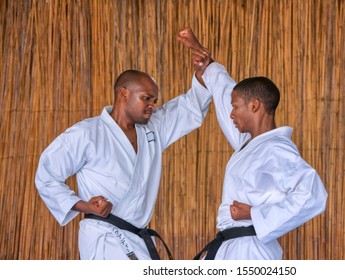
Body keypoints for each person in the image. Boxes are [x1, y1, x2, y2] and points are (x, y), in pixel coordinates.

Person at [177, 27, 328, 260]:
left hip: (251, 251)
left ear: (254, 106)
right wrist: (207, 65)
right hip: (234, 248)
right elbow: (225, 90)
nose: (231, 114)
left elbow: (313, 194)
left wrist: (255, 214)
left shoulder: (276, 149)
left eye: (235, 107)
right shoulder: (250, 144)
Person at [35, 67, 212, 259]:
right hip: (105, 236)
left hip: (138, 238)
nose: (152, 106)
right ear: (123, 94)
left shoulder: (153, 129)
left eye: (155, 101)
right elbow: (46, 176)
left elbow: (188, 109)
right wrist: (85, 206)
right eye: (146, 98)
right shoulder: (87, 133)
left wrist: (203, 75)